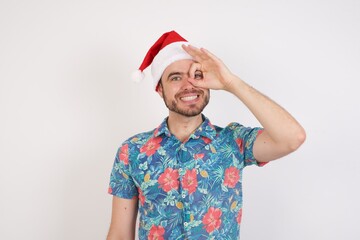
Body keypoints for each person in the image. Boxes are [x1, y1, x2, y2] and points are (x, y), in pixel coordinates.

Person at [106, 30, 306, 240]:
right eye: (175, 78)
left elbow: (292, 138)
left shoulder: (233, 141)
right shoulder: (132, 151)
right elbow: (120, 233)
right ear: (160, 90)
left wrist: (230, 83)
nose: (188, 85)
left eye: (196, 76)